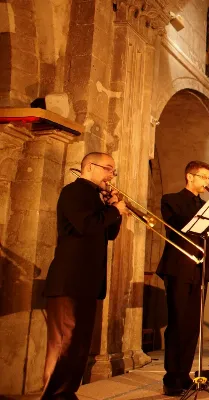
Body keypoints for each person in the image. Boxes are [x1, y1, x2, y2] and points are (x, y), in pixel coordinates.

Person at [42, 152, 128, 399]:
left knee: (79, 345)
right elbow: (85, 225)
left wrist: (113, 210)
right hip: (69, 280)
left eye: (113, 170)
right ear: (89, 167)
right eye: (108, 168)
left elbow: (107, 233)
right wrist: (114, 211)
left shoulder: (97, 198)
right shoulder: (74, 191)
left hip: (88, 281)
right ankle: (55, 395)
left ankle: (67, 393)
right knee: (64, 345)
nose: (111, 175)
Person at [156, 161, 209, 396]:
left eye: (208, 178)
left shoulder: (206, 205)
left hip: (201, 269)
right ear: (189, 177)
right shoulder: (171, 200)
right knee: (178, 322)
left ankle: (184, 373)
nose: (206, 182)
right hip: (178, 267)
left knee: (192, 325)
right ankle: (172, 377)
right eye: (203, 177)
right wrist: (205, 216)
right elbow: (175, 225)